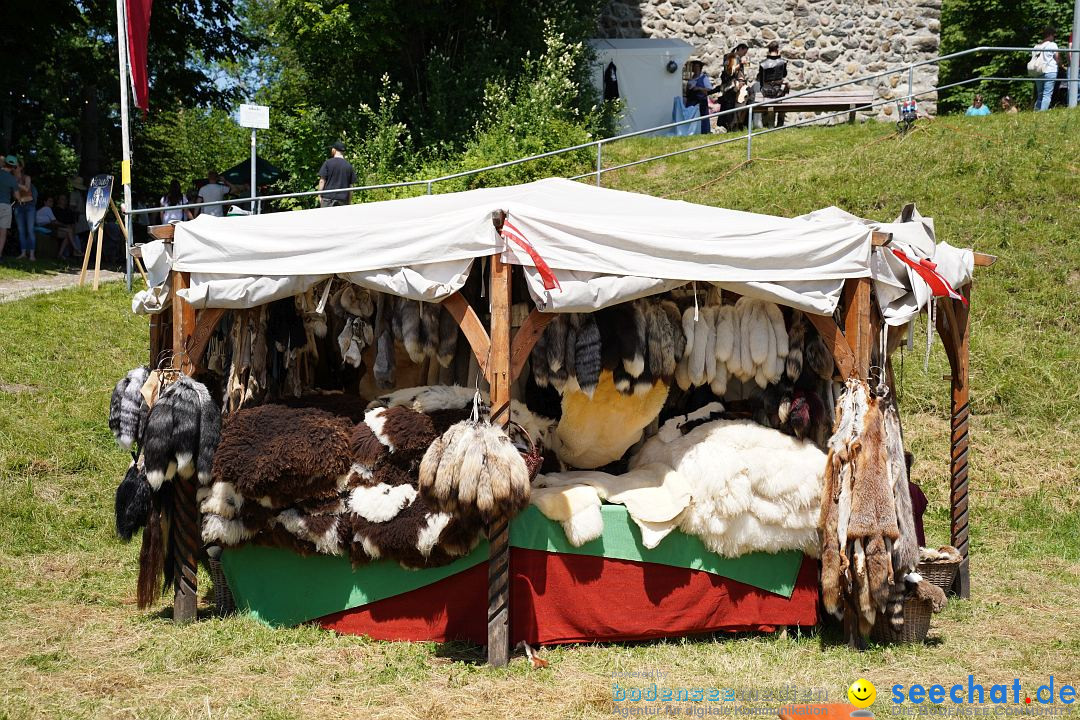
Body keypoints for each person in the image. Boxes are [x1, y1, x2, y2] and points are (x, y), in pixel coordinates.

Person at [757, 40, 790, 128]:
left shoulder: (762, 63)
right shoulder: (783, 62)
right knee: (783, 99)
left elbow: (761, 79)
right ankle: (780, 124)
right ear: (777, 49)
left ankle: (770, 125)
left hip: (766, 90)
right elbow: (784, 74)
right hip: (779, 90)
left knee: (770, 104)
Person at [720, 43, 751, 131]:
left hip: (738, 86)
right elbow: (730, 71)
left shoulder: (736, 58)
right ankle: (731, 126)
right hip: (731, 87)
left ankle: (738, 125)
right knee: (731, 107)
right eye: (744, 52)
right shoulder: (731, 57)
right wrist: (741, 63)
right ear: (740, 49)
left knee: (740, 105)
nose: (744, 55)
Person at [317, 141, 357, 208]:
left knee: (327, 218)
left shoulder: (327, 163)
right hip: (343, 200)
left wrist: (319, 196)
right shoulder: (348, 166)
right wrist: (349, 202)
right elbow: (350, 187)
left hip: (328, 200)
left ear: (334, 150)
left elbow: (322, 181)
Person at [13, 160, 36, 260]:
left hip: (30, 206)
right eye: (13, 166)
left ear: (21, 167)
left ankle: (32, 255)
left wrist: (15, 184)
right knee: (21, 231)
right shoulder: (12, 178)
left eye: (16, 166)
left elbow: (27, 188)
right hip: (19, 206)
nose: (14, 168)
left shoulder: (26, 177)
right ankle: (23, 253)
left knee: (30, 230)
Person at [1034, 27, 1060, 111]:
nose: (1054, 37)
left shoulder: (1037, 46)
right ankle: (1043, 113)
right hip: (1050, 71)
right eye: (1053, 35)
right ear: (1050, 35)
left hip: (1038, 71)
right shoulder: (1052, 45)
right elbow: (1057, 57)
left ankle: (1037, 111)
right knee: (1047, 94)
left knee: (1040, 94)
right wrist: (1061, 64)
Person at [685, 60, 714, 135]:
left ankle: (704, 132)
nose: (695, 68)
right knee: (690, 116)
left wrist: (699, 88)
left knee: (703, 117)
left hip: (701, 101)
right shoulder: (691, 79)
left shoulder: (704, 78)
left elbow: (709, 89)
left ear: (700, 68)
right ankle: (690, 132)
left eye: (697, 66)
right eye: (694, 66)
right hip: (691, 101)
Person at [0, 156, 18, 259]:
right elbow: (17, 196)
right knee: (2, 233)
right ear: (13, 167)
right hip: (5, 206)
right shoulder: (12, 179)